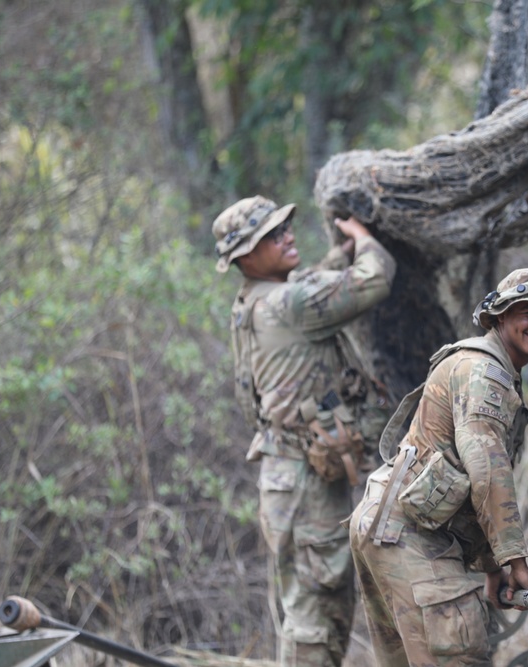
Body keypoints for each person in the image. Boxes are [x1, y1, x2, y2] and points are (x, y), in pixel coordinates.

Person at [348, 267, 528, 666]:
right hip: (410, 535)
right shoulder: (485, 375)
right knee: (458, 655)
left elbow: (470, 482)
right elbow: (486, 469)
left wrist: (490, 566)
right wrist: (515, 561)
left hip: (388, 526)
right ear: (500, 316)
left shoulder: (493, 367)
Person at [212, 195, 397, 667]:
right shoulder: (290, 303)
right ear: (245, 257)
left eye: (286, 228)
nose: (287, 236)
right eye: (272, 236)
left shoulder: (256, 300)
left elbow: (315, 280)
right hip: (303, 483)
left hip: (294, 477)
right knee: (315, 612)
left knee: (322, 604)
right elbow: (374, 279)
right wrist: (365, 240)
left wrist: (339, 251)